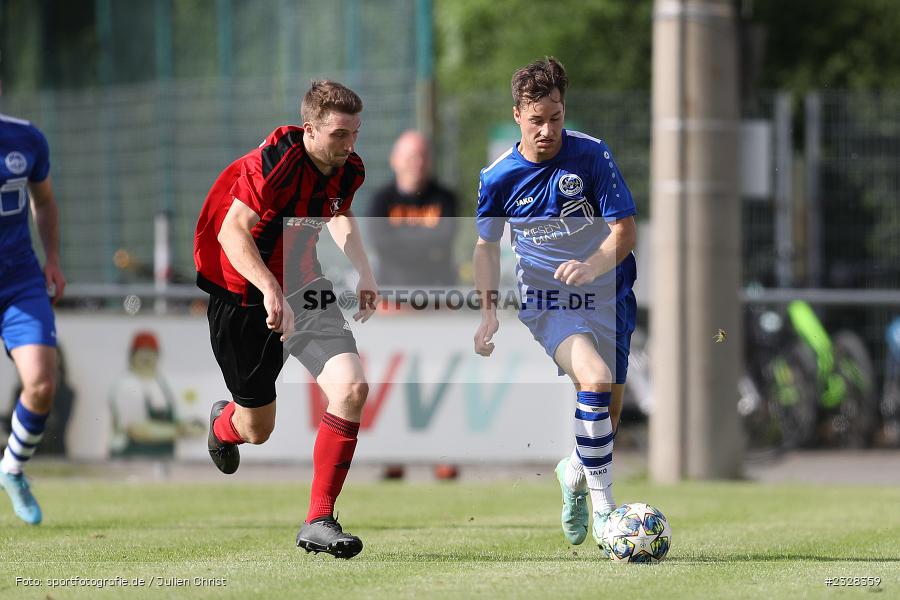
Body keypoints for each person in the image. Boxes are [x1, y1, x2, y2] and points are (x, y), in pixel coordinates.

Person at [194, 80, 377, 559]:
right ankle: (224, 425)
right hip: (241, 296)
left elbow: (339, 213)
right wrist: (269, 289)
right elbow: (232, 233)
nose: (350, 145)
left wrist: (364, 271)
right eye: (339, 134)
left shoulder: (348, 168)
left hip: (303, 285)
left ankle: (319, 520)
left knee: (352, 388)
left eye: (355, 133)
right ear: (310, 130)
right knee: (257, 429)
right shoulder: (274, 164)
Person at [472, 57, 638, 550]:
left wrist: (591, 265)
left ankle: (574, 472)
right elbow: (485, 246)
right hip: (547, 299)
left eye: (556, 118)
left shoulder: (592, 154)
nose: (547, 130)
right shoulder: (498, 177)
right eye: (537, 120)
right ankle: (606, 511)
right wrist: (487, 312)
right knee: (595, 378)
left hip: (609, 292)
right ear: (517, 115)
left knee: (608, 412)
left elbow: (625, 231)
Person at [0, 109, 67, 525]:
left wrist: (53, 259)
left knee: (42, 383)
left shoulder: (26, 139)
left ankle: (11, 469)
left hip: (19, 282)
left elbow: (44, 201)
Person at [367, 130, 457, 286]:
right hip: (391, 291)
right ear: (395, 160)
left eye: (423, 156)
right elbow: (380, 242)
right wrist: (426, 246)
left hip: (437, 290)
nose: (418, 163)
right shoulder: (381, 200)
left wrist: (399, 241)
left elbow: (444, 238)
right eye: (411, 157)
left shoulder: (445, 199)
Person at [108, 330, 203, 458]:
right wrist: (181, 430)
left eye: (151, 353)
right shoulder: (127, 384)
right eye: (142, 353)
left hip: (162, 459)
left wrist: (187, 425)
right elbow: (137, 430)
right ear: (132, 356)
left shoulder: (161, 383)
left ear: (157, 355)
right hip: (130, 459)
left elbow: (170, 420)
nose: (147, 358)